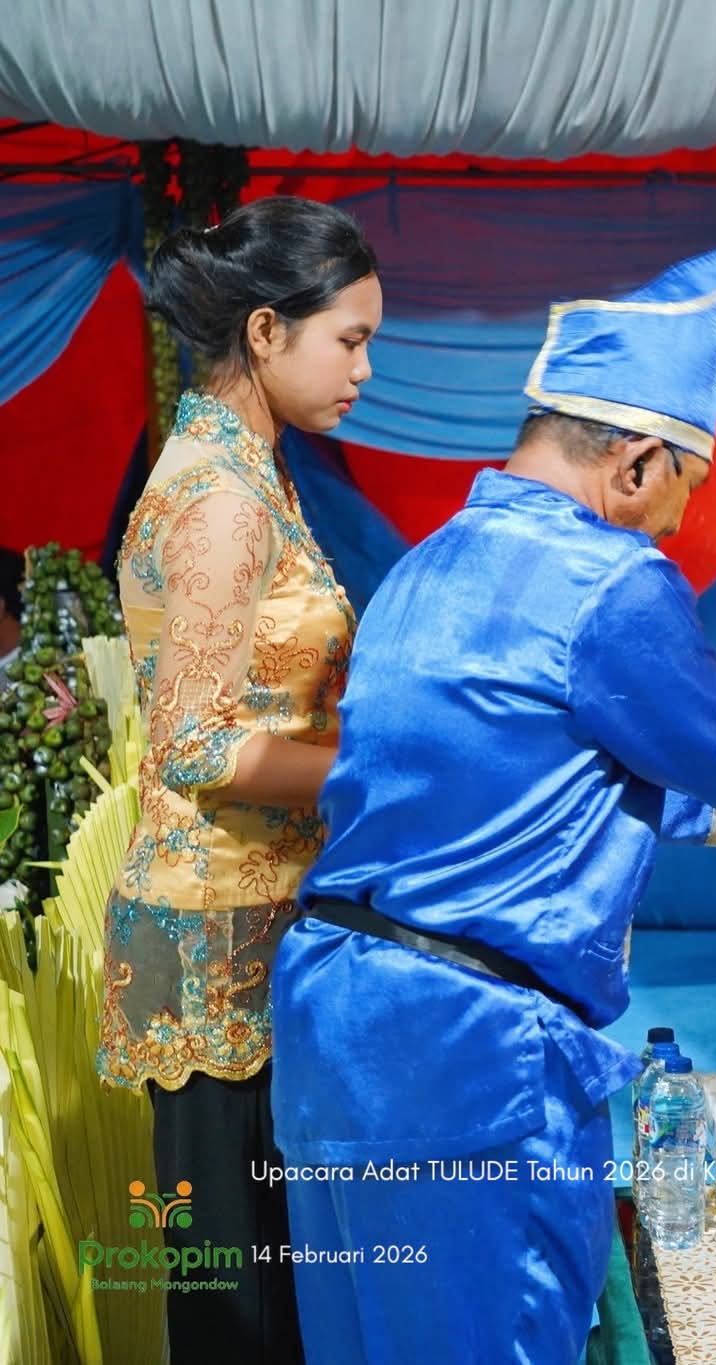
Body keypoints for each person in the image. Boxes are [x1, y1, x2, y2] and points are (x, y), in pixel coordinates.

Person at [268, 244, 716, 1363]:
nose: (674, 527)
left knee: (366, 1339)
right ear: (638, 463)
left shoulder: (427, 567)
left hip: (336, 1028)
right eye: (686, 489)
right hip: (469, 1051)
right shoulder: (606, 576)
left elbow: (564, 782)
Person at [95, 195, 381, 1363]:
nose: (366, 368)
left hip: (255, 923)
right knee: (239, 1307)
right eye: (349, 340)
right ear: (266, 332)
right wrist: (378, 774)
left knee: (266, 1287)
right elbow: (197, 745)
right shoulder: (221, 496)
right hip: (218, 939)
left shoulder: (247, 466)